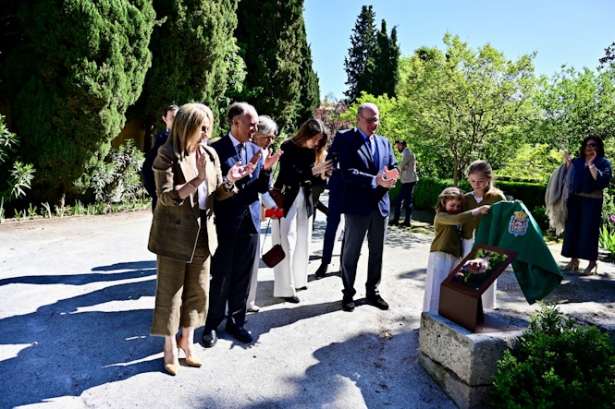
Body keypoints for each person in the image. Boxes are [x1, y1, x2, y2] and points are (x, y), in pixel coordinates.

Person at [147, 103, 250, 376]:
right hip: (173, 235)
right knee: (170, 294)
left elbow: (216, 194)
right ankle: (169, 347)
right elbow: (166, 195)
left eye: (209, 128)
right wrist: (197, 179)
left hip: (205, 234)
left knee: (198, 292)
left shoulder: (210, 154)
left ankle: (187, 341)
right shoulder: (167, 153)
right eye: (202, 128)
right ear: (186, 126)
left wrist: (229, 181)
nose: (206, 133)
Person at [202, 102, 279, 348]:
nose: (255, 129)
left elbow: (260, 189)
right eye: (251, 124)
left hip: (251, 222)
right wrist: (229, 179)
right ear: (235, 122)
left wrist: (266, 170)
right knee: (221, 276)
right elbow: (209, 190)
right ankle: (212, 324)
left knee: (243, 277)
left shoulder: (254, 150)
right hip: (225, 223)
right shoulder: (215, 150)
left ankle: (236, 322)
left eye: (257, 125)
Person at [337, 102, 398, 312]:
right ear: (358, 118)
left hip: (380, 206)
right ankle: (348, 293)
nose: (374, 124)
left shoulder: (385, 142)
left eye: (376, 119)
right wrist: (375, 180)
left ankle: (373, 291)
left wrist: (392, 176)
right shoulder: (345, 140)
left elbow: (393, 165)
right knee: (351, 252)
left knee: (377, 252)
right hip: (356, 206)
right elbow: (347, 172)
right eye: (369, 120)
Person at [271, 118, 332, 303]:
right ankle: (284, 288)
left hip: (305, 198)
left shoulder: (314, 151)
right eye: (315, 139)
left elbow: (311, 180)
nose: (317, 143)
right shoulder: (288, 146)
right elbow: (289, 177)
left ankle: (298, 280)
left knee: (303, 240)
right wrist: (314, 171)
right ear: (306, 134)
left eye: (320, 141)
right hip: (286, 197)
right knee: (285, 241)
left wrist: (324, 174)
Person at [423, 187, 490, 312]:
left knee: (451, 287)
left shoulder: (457, 216)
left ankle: (443, 315)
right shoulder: (441, 216)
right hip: (440, 253)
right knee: (435, 288)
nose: (455, 209)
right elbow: (457, 219)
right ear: (443, 202)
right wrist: (478, 210)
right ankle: (429, 315)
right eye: (452, 205)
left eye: (459, 206)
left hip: (454, 255)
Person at [561, 136, 612, 275]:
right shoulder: (577, 161)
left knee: (589, 231)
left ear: (598, 147)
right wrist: (568, 163)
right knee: (572, 229)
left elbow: (602, 180)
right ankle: (573, 260)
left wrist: (591, 164)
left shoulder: (603, 162)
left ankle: (592, 263)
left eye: (592, 145)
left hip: (593, 200)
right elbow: (568, 176)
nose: (588, 148)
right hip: (575, 199)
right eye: (586, 145)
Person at [460, 160, 507, 309]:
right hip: (467, 240)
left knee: (485, 274)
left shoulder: (497, 198)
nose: (476, 185)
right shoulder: (466, 198)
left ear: (489, 179)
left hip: (487, 242)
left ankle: (487, 308)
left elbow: (504, 220)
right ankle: (466, 306)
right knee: (468, 272)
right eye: (472, 181)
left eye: (480, 181)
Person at [246, 115, 279, 313]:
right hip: (242, 210)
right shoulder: (248, 150)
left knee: (253, 258)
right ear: (257, 135)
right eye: (268, 136)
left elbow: (263, 187)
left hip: (257, 210)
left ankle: (249, 300)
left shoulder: (266, 152)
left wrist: (267, 169)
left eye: (273, 136)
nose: (271, 140)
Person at [314, 133, 346, 279]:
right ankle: (324, 263)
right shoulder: (343, 137)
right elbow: (330, 159)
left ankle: (344, 265)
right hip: (338, 189)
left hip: (356, 190)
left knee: (350, 230)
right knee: (331, 227)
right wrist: (329, 169)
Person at [142, 105, 179, 212]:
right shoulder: (160, 138)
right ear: (164, 119)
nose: (176, 121)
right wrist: (154, 193)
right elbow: (149, 168)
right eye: (173, 117)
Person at [390, 140, 418, 227]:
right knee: (408, 201)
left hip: (409, 181)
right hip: (408, 180)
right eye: (396, 146)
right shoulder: (406, 153)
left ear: (403, 145)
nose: (397, 148)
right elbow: (402, 167)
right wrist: (402, 167)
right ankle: (407, 221)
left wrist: (399, 167)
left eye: (398, 146)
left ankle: (396, 220)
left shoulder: (408, 153)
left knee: (400, 200)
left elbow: (400, 166)